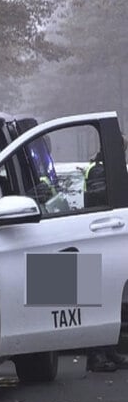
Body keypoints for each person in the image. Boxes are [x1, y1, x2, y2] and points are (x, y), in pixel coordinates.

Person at [82, 134, 128, 372]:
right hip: (98, 238)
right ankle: (96, 356)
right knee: (96, 299)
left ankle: (109, 349)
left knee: (110, 298)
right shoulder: (98, 170)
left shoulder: (108, 168)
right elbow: (107, 199)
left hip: (109, 239)